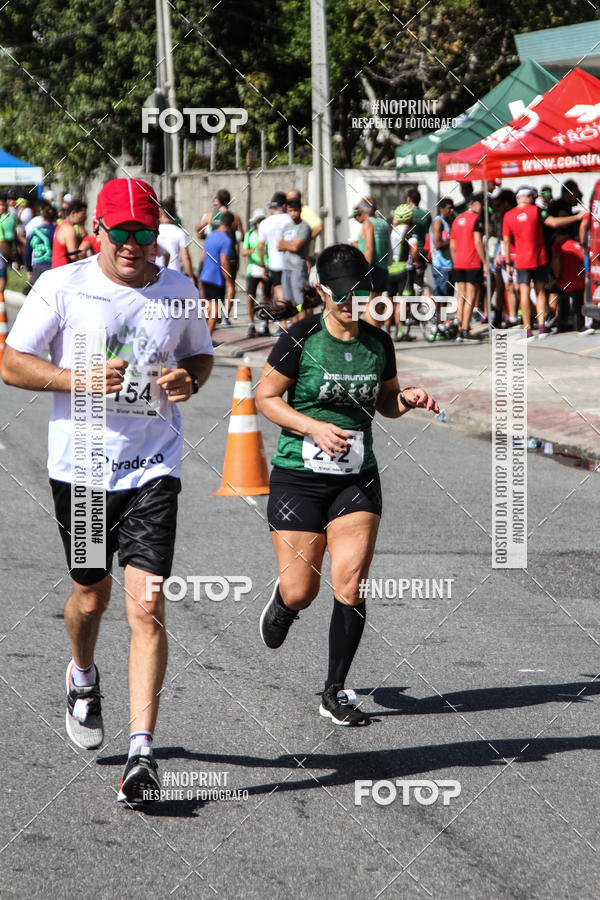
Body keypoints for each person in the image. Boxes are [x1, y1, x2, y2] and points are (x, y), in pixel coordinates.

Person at [1, 178, 213, 805]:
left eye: (142, 234)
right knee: (89, 601)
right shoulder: (61, 287)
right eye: (119, 233)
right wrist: (77, 380)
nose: (130, 245)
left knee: (146, 607)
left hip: (154, 468)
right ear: (98, 229)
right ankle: (82, 673)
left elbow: (198, 356)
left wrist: (187, 380)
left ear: (157, 234)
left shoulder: (176, 290)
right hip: (85, 470)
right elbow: (11, 362)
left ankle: (142, 753)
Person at [255, 243, 438, 725]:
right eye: (341, 295)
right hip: (299, 476)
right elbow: (266, 398)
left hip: (356, 478)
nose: (351, 303)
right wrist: (312, 426)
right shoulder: (301, 337)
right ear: (320, 291)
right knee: (301, 590)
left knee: (352, 585)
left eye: (360, 294)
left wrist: (409, 398)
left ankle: (335, 690)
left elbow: (387, 402)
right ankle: (283, 603)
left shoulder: (378, 343)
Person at [503, 186, 583, 339]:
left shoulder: (508, 215)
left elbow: (506, 241)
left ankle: (527, 328)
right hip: (539, 257)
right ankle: (541, 325)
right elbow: (553, 223)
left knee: (524, 291)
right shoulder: (536, 211)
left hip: (520, 259)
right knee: (540, 291)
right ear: (528, 196)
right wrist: (577, 217)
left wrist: (508, 262)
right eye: (533, 197)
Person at [450, 192, 486, 341]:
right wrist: (485, 262)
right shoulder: (477, 219)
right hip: (472, 261)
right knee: (470, 296)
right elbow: (478, 242)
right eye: (480, 204)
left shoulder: (457, 219)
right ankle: (465, 328)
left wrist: (456, 260)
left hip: (458, 262)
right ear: (472, 204)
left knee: (461, 295)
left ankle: (460, 327)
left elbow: (452, 245)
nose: (482, 207)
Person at [198, 210, 235, 337]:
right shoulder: (226, 240)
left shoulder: (211, 235)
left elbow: (203, 257)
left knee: (207, 308)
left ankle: (203, 338)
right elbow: (224, 262)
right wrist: (229, 280)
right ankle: (207, 340)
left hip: (205, 275)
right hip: (216, 278)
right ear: (231, 225)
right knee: (215, 311)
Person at [356, 198, 389, 328]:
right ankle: (377, 335)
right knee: (377, 302)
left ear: (364, 210)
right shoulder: (382, 223)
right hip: (383, 266)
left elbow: (369, 248)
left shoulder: (368, 223)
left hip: (371, 266)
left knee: (369, 304)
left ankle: (371, 336)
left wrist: (364, 269)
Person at [387, 203, 419, 341]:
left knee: (389, 299)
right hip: (404, 269)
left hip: (390, 269)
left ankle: (387, 330)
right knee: (402, 300)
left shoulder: (392, 230)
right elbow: (414, 249)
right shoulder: (410, 231)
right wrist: (417, 260)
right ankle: (400, 332)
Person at [258, 193, 292, 315]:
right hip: (291, 262)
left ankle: (283, 326)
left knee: (280, 295)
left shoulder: (265, 223)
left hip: (275, 263)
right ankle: (294, 321)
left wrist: (263, 265)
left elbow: (261, 246)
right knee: (294, 295)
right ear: (284, 205)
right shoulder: (290, 219)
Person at [278, 197, 311, 323]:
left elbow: (296, 246)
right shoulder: (287, 227)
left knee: (299, 303)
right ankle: (295, 329)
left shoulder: (304, 227)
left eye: (295, 210)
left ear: (300, 210)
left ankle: (303, 329)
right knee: (290, 302)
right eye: (290, 210)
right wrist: (289, 244)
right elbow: (279, 246)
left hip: (297, 268)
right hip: (286, 267)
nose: (293, 213)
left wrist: (287, 244)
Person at [242, 208, 271, 337]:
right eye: (258, 220)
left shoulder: (268, 235)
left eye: (262, 220)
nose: (260, 223)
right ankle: (251, 324)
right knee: (250, 297)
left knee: (266, 298)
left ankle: (265, 324)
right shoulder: (249, 234)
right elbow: (244, 252)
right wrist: (251, 251)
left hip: (266, 268)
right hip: (253, 269)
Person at [156, 197, 195, 282]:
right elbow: (185, 256)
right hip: (174, 274)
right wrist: (191, 276)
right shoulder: (180, 232)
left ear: (161, 214)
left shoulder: (155, 231)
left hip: (156, 273)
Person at [405, 188, 431, 290]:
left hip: (408, 251)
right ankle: (420, 302)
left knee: (409, 281)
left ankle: (411, 303)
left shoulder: (406, 213)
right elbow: (429, 233)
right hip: (423, 251)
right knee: (420, 279)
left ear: (409, 199)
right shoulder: (426, 214)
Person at [24, 204, 57, 285]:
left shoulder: (34, 232)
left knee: (37, 293)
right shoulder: (57, 231)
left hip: (38, 266)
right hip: (53, 265)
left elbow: (27, 252)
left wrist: (29, 269)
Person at [430, 197, 455, 298]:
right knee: (442, 296)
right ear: (441, 209)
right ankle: (440, 314)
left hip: (448, 265)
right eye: (449, 208)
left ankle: (444, 314)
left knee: (448, 295)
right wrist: (453, 240)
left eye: (453, 208)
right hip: (440, 266)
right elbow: (437, 244)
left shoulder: (448, 221)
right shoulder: (438, 222)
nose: (451, 210)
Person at [51, 199, 88, 267]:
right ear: (73, 213)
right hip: (64, 269)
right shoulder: (69, 229)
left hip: (56, 268)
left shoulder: (62, 225)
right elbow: (73, 255)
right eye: (83, 214)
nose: (85, 217)